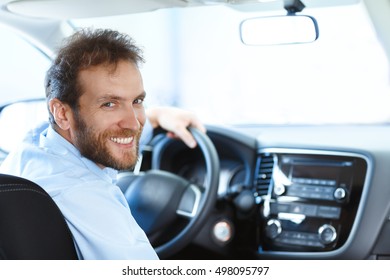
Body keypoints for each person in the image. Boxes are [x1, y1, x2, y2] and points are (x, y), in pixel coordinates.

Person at [0, 28, 205, 259]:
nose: (134, 123)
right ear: (62, 113)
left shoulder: (34, 145)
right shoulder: (87, 198)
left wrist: (157, 116)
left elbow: (100, 132)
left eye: (137, 101)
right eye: (109, 104)